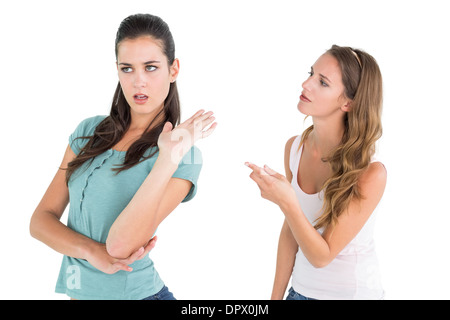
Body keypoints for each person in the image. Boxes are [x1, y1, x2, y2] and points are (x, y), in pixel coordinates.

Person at [29, 13, 216, 300]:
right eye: (127, 69)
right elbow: (40, 221)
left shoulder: (185, 157)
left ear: (174, 69)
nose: (138, 82)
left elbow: (120, 247)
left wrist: (168, 158)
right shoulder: (89, 131)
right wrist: (91, 252)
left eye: (151, 67)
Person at [246, 45, 386, 300]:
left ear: (348, 102)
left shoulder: (370, 173)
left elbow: (322, 256)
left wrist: (287, 202)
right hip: (299, 293)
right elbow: (292, 231)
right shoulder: (295, 148)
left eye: (322, 82)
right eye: (311, 73)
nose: (305, 84)